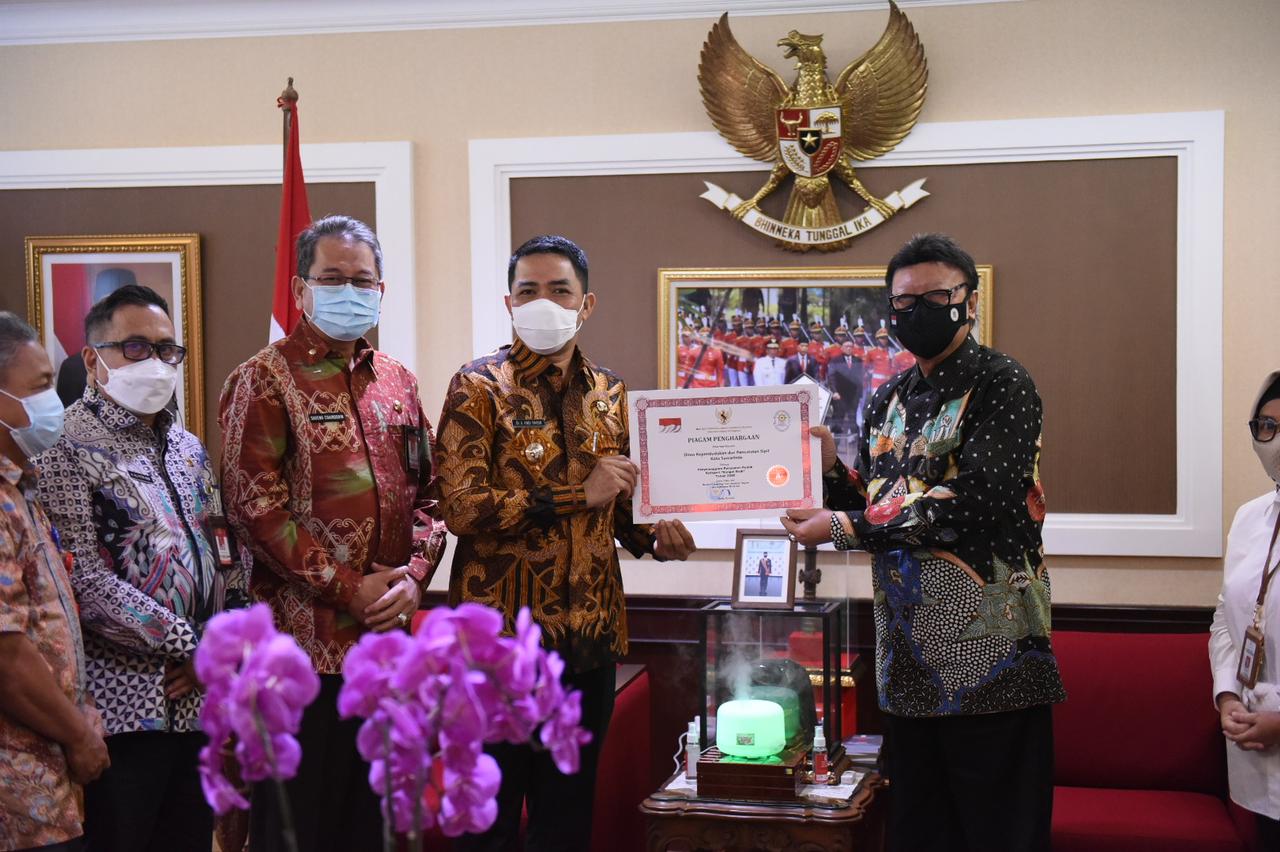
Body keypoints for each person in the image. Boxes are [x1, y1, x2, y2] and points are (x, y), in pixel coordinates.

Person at [782, 233, 1064, 852]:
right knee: (917, 832)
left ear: (969, 300)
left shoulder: (1002, 384)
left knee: (998, 835)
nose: (916, 313)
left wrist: (845, 526)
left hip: (992, 659)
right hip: (907, 662)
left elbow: (978, 500)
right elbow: (875, 503)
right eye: (903, 303)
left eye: (935, 298)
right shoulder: (888, 397)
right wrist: (829, 471)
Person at [433, 235, 697, 851]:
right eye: (528, 291)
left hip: (589, 642)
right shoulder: (478, 386)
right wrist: (579, 493)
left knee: (567, 822)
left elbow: (619, 508)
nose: (543, 302)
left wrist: (656, 538)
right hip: (500, 647)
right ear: (508, 302)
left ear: (587, 303)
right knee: (489, 823)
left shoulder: (610, 391)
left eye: (559, 290)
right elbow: (461, 507)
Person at [219, 215, 448, 852]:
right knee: (298, 830)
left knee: (378, 828)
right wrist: (350, 588)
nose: (350, 291)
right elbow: (254, 508)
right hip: (301, 655)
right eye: (332, 278)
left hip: (387, 651)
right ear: (301, 289)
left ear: (381, 290)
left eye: (362, 280)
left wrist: (414, 578)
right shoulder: (263, 378)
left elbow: (432, 494)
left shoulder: (397, 381)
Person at [37, 285, 246, 852]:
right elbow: (81, 578)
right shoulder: (62, 445)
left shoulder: (188, 447)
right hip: (123, 707)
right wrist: (188, 643)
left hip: (199, 702)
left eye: (165, 348)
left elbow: (225, 550)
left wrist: (218, 646)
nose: (155, 361)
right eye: (134, 347)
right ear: (93, 360)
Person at [0, 312, 109, 852]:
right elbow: (7, 653)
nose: (54, 402)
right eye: (40, 385)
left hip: (50, 767)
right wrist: (77, 733)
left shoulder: (21, 486)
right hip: (18, 786)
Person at [1210, 371, 1280, 848]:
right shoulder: (1250, 516)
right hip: (1255, 750)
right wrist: (1228, 696)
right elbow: (1226, 620)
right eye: (1267, 426)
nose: (1275, 440)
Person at [826, 339, 863, 433]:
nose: (849, 348)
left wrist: (859, 394)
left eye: (851, 346)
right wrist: (834, 391)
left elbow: (861, 378)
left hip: (853, 395)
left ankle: (856, 441)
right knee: (838, 419)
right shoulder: (835, 361)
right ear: (842, 348)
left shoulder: (858, 360)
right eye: (846, 346)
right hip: (840, 394)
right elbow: (831, 377)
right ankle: (835, 441)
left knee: (853, 419)